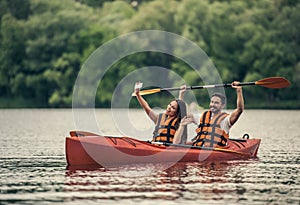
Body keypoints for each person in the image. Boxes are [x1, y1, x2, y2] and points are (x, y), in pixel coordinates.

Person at [173, 81, 244, 147]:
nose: (213, 104)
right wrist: (181, 94)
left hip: (215, 151)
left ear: (222, 105)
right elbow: (182, 113)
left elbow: (239, 109)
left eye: (216, 103)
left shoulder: (226, 120)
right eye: (212, 102)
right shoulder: (202, 117)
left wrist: (239, 91)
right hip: (198, 148)